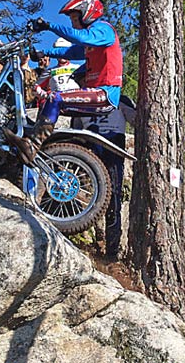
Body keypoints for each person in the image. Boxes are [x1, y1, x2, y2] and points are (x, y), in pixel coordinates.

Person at [4, 0, 123, 165]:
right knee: (47, 103)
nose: (73, 24)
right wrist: (44, 53)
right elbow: (71, 52)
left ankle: (32, 146)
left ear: (87, 13)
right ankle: (35, 145)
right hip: (95, 94)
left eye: (74, 18)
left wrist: (49, 26)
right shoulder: (92, 41)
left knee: (55, 98)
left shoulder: (104, 30)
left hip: (105, 94)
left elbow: (79, 38)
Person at [72, 95, 136, 259]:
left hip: (113, 151)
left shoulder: (120, 99)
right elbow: (75, 132)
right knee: (83, 194)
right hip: (90, 153)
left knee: (114, 198)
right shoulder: (82, 99)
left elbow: (138, 122)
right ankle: (81, 239)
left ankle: (112, 251)